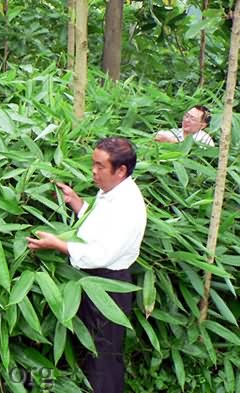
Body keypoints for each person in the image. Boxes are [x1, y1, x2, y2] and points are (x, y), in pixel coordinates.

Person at [26, 137, 147, 393]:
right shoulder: (112, 190)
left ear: (121, 170)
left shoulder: (129, 206)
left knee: (104, 355)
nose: (93, 171)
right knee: (91, 349)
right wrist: (78, 204)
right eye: (93, 164)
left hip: (108, 285)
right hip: (93, 280)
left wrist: (58, 244)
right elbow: (100, 227)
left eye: (100, 166)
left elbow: (102, 253)